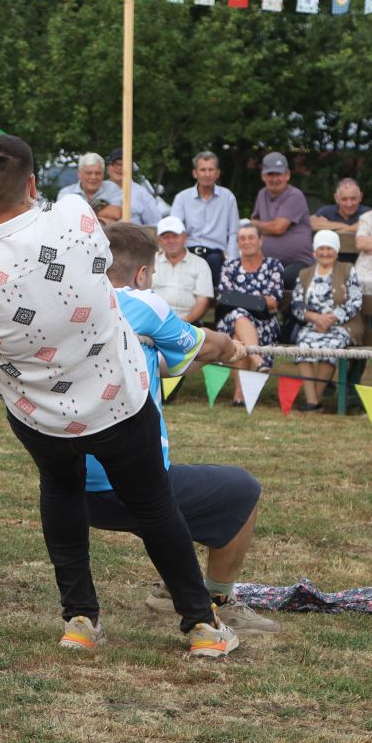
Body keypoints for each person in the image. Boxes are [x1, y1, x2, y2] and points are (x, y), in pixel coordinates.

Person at [0, 133, 239, 659]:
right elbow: (97, 274)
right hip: (117, 400)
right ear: (33, 184)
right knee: (154, 504)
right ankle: (201, 626)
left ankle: (79, 621)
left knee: (60, 494)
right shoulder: (76, 215)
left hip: (38, 415)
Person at [90, 223, 273, 633]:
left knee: (188, 492)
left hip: (71, 490)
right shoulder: (143, 304)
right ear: (141, 275)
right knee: (242, 491)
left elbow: (173, 361)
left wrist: (210, 350)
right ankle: (219, 599)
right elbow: (206, 345)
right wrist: (229, 346)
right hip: (133, 489)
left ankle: (169, 587)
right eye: (151, 274)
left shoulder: (74, 304)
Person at [290, 229, 363, 411]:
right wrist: (315, 318)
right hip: (313, 325)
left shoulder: (347, 270)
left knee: (329, 349)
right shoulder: (305, 273)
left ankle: (314, 401)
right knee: (303, 346)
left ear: (336, 251)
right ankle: (313, 400)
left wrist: (330, 319)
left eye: (329, 248)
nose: (325, 253)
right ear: (315, 251)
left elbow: (356, 301)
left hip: (342, 325)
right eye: (321, 248)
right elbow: (297, 304)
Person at [216, 221, 285, 405]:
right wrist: (258, 301)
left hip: (265, 324)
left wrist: (240, 299)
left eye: (251, 237)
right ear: (238, 243)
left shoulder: (273, 266)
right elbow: (225, 298)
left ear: (260, 241)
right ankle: (258, 360)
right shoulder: (230, 267)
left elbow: (273, 301)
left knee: (239, 319)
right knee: (239, 316)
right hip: (232, 320)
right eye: (242, 239)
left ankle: (240, 394)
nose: (247, 242)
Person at [169, 150, 240, 288]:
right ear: (195, 173)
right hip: (189, 251)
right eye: (203, 170)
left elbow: (234, 233)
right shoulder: (182, 198)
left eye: (211, 170)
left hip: (216, 253)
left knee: (215, 263)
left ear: (217, 173)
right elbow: (175, 230)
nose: (207, 174)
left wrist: (232, 262)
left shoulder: (228, 197)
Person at [251, 151, 313, 271]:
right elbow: (255, 223)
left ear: (287, 175)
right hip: (265, 260)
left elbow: (278, 228)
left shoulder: (295, 195)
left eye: (278, 174)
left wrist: (255, 225)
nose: (275, 179)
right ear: (263, 176)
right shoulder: (262, 194)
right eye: (270, 174)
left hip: (298, 261)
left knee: (286, 279)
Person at [150, 215, 213, 323]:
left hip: (186, 322)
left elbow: (203, 302)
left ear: (184, 237)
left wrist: (184, 323)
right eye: (166, 237)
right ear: (159, 240)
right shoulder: (151, 261)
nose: (171, 240)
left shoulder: (200, 264)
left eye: (175, 236)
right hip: (153, 320)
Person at [57, 152, 123, 220]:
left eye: (98, 173)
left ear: (103, 174)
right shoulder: (66, 193)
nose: (93, 177)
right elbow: (62, 218)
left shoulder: (112, 188)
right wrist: (102, 214)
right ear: (79, 174)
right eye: (88, 173)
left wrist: (79, 215)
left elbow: (116, 213)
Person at [104, 154, 163, 224]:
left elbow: (155, 225)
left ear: (131, 168)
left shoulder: (142, 194)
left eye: (124, 164)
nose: (119, 168)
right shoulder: (98, 189)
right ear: (108, 168)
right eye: (115, 164)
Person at [310, 177, 370, 243]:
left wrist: (329, 226)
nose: (349, 204)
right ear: (336, 198)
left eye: (353, 199)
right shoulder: (326, 211)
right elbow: (311, 223)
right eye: (344, 199)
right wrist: (351, 227)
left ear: (360, 197)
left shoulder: (368, 212)